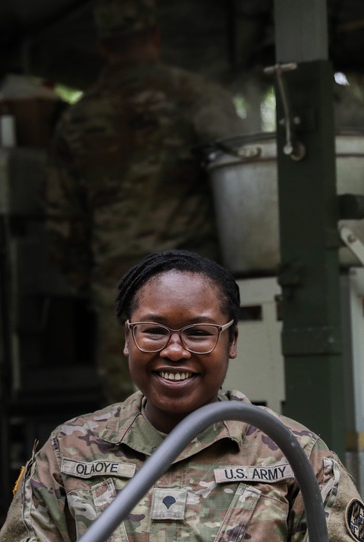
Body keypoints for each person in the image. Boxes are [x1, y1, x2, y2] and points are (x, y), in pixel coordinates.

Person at [0, 249, 364, 542]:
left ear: (232, 341)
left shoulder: (295, 455)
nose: (174, 351)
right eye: (153, 331)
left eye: (199, 333)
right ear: (128, 340)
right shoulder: (71, 451)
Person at [43, 0, 247, 405]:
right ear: (155, 36)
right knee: (210, 407)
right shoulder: (194, 96)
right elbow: (241, 180)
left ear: (103, 46)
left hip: (121, 291)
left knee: (130, 414)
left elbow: (61, 219)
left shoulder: (78, 118)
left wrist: (94, 284)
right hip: (199, 292)